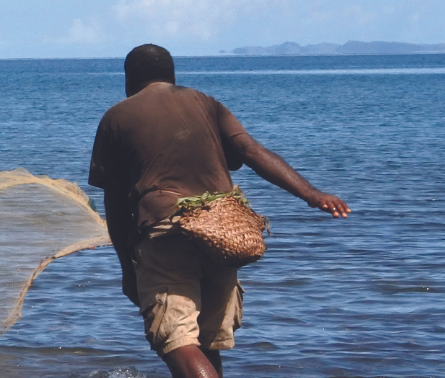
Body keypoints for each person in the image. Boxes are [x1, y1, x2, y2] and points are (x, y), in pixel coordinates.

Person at [89, 44, 350, 378]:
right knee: (207, 343)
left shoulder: (117, 117)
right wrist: (312, 194)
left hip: (166, 234)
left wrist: (127, 268)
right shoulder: (206, 103)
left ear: (129, 80)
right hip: (222, 234)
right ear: (172, 76)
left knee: (176, 340)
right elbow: (250, 152)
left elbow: (115, 202)